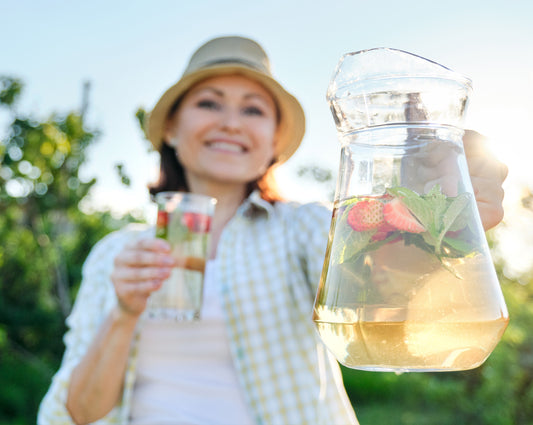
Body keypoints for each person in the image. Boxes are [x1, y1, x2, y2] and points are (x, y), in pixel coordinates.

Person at [38, 36, 508, 425]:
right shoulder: (117, 253)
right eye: (208, 103)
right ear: (172, 131)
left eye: (253, 110)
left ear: (273, 144)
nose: (230, 122)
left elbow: (386, 281)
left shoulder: (302, 228)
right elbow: (79, 411)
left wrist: (438, 208)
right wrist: (124, 311)